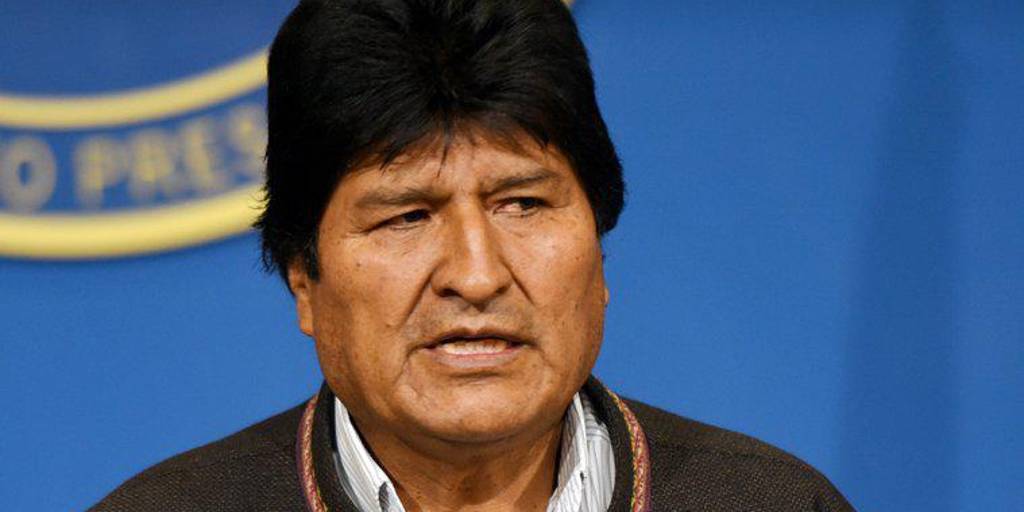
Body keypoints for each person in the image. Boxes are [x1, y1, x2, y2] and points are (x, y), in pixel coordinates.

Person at [92, 0, 854, 510]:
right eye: (407, 216)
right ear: (303, 280)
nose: (478, 274)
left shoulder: (774, 503)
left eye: (523, 204)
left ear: (599, 248)